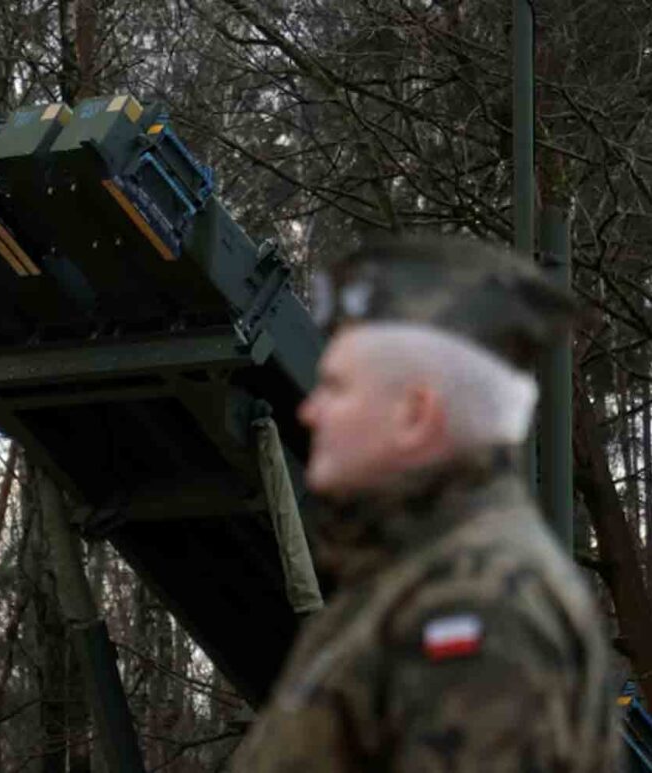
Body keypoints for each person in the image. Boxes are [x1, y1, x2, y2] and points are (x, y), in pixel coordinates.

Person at [231, 235, 617, 772]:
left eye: (337, 388)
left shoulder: (477, 606)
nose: (312, 411)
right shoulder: (406, 581)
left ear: (415, 415)